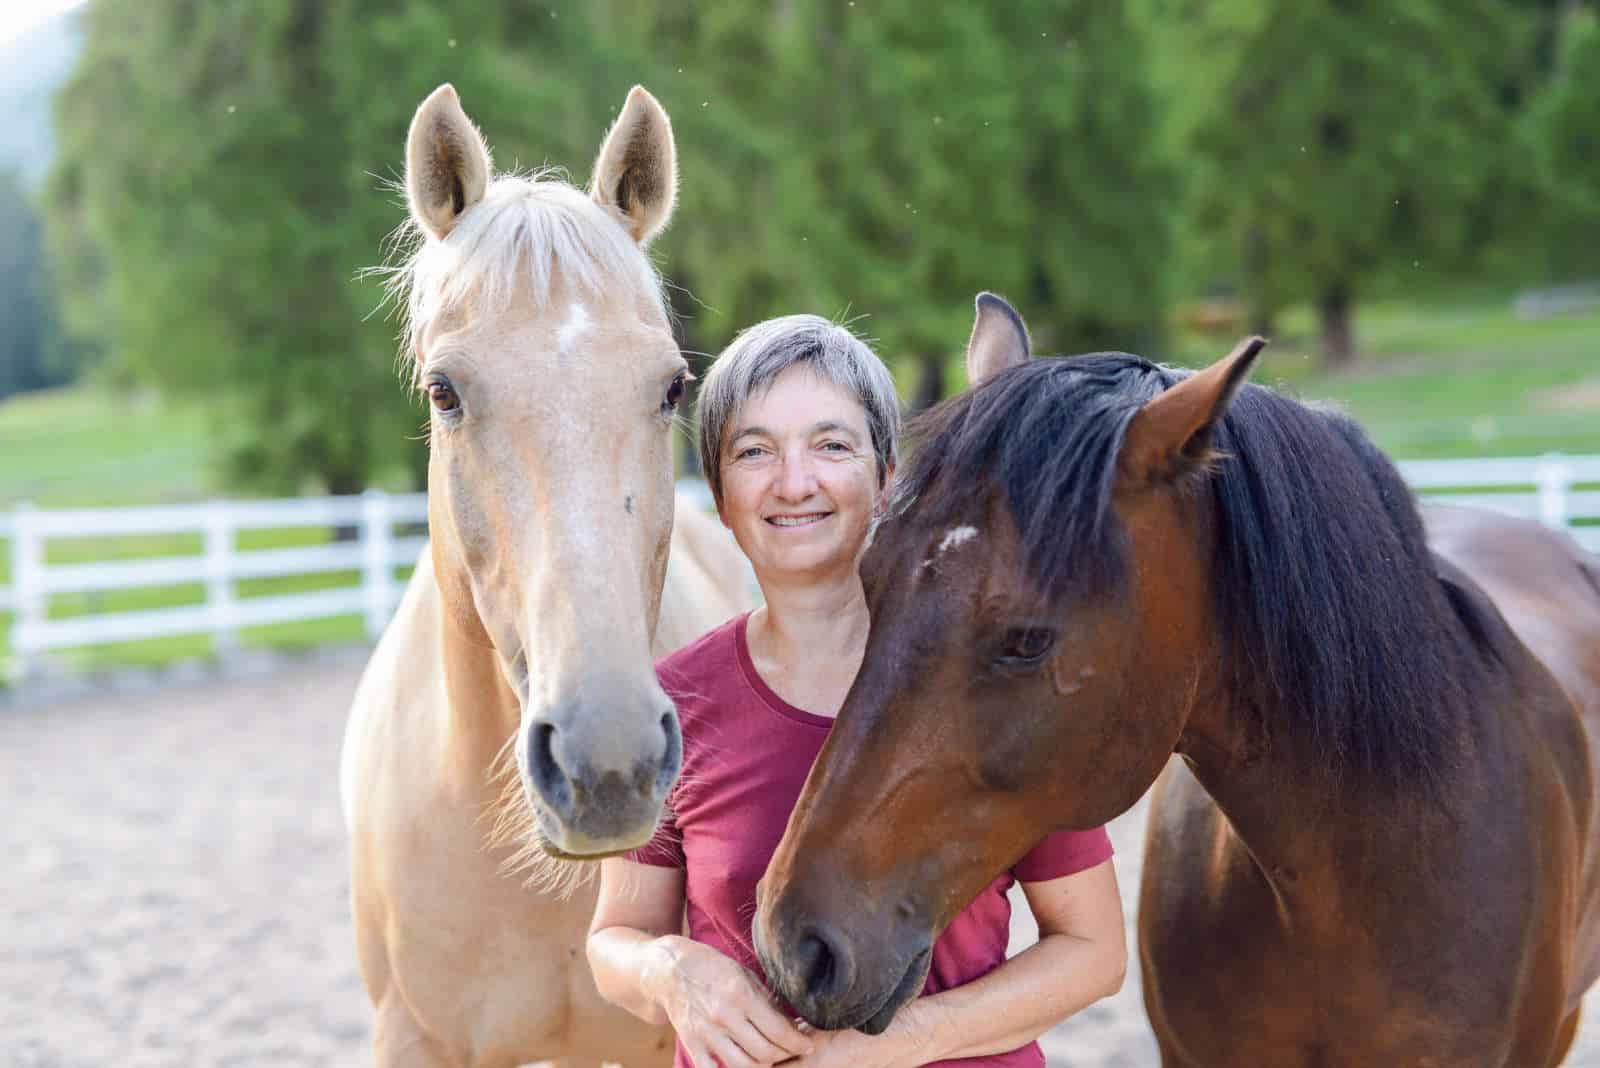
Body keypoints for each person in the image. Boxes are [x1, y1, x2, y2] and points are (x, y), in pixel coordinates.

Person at [587, 316, 1125, 1068]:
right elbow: (617, 937)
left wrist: (904, 1043)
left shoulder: (991, 683)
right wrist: (674, 974)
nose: (794, 482)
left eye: (832, 445)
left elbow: (1093, 949)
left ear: (887, 478)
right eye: (754, 451)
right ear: (717, 489)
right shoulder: (673, 704)